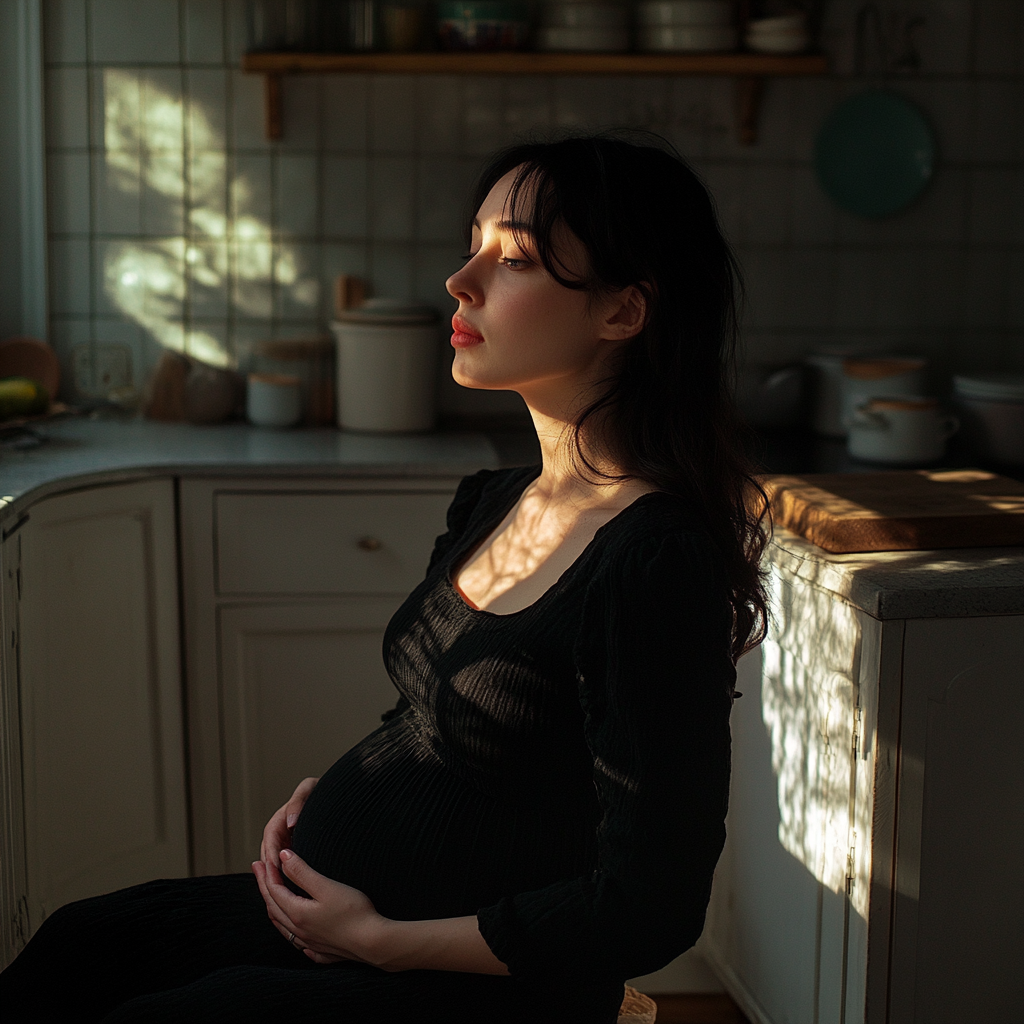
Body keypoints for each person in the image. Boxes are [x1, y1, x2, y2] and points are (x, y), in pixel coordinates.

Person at [0, 133, 768, 1023]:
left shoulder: (650, 558)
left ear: (622, 313)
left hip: (469, 978)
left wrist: (379, 940)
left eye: (512, 257)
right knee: (78, 947)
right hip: (350, 923)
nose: (461, 280)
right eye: (472, 242)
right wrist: (327, 799)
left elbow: (650, 908)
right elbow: (448, 718)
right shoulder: (498, 499)